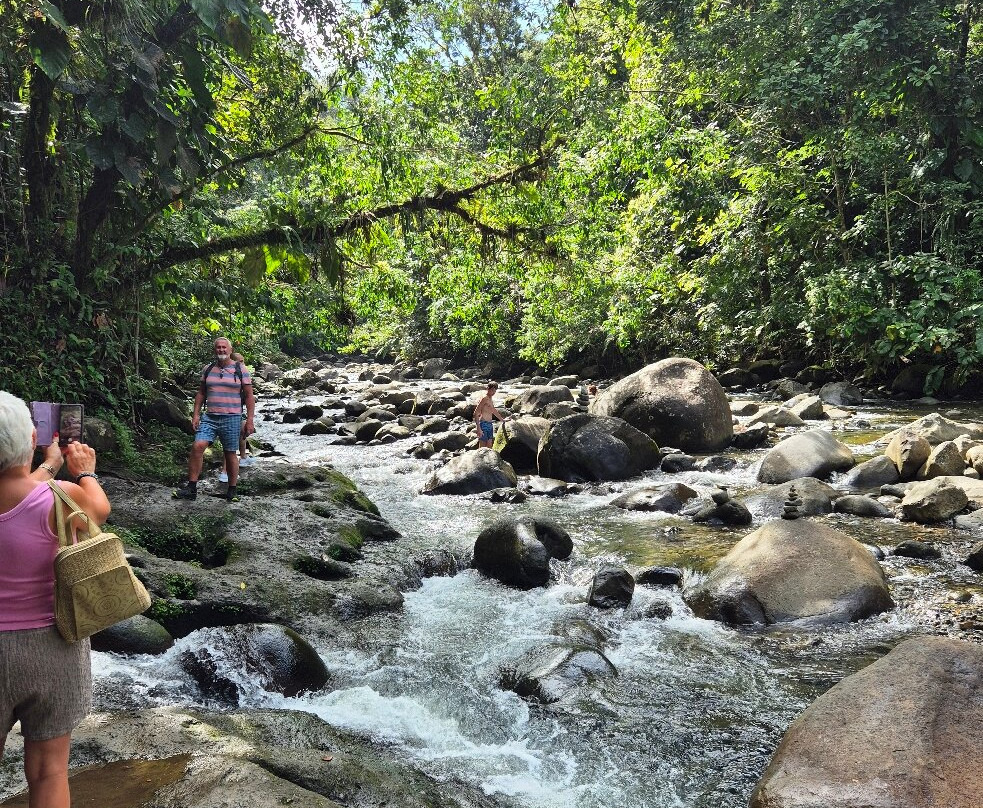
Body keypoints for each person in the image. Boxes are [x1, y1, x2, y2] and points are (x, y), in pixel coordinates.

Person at [0, 391, 111, 808]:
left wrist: (47, 466)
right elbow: (98, 510)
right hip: (52, 646)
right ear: (30, 440)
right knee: (49, 772)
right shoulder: (58, 498)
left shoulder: (45, 486)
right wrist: (84, 472)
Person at [174, 337, 255, 502]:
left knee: (230, 453)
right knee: (198, 446)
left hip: (232, 417)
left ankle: (232, 491)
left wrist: (250, 420)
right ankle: (191, 488)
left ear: (230, 350)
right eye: (218, 348)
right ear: (214, 350)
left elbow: (249, 396)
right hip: (210, 417)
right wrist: (195, 415)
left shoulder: (241, 369)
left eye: (224, 347)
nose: (221, 350)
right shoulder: (208, 369)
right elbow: (201, 393)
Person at [219, 352, 256, 484]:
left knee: (243, 431)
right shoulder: (227, 375)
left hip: (238, 410)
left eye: (243, 361)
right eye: (240, 362)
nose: (243, 364)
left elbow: (247, 395)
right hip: (228, 412)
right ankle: (224, 472)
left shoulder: (242, 373)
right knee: (230, 442)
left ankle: (244, 457)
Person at [473, 382, 508, 449]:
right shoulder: (484, 398)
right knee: (482, 448)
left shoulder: (490, 398)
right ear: (487, 389)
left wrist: (502, 420)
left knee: (489, 447)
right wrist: (478, 428)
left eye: (495, 390)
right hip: (483, 424)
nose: (493, 392)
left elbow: (493, 410)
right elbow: (476, 413)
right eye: (492, 390)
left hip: (490, 424)